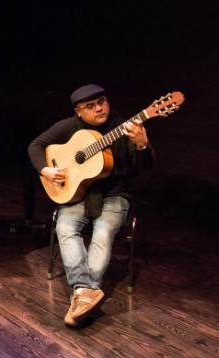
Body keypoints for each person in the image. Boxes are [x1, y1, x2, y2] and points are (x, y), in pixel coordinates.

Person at [28, 84, 155, 326]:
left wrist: (142, 145)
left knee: (103, 232)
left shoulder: (124, 127)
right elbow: (35, 146)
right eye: (90, 106)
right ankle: (86, 293)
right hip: (78, 194)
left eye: (102, 101)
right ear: (79, 112)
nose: (99, 108)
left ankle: (82, 293)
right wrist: (45, 169)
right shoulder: (69, 126)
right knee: (64, 228)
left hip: (116, 195)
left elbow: (145, 170)